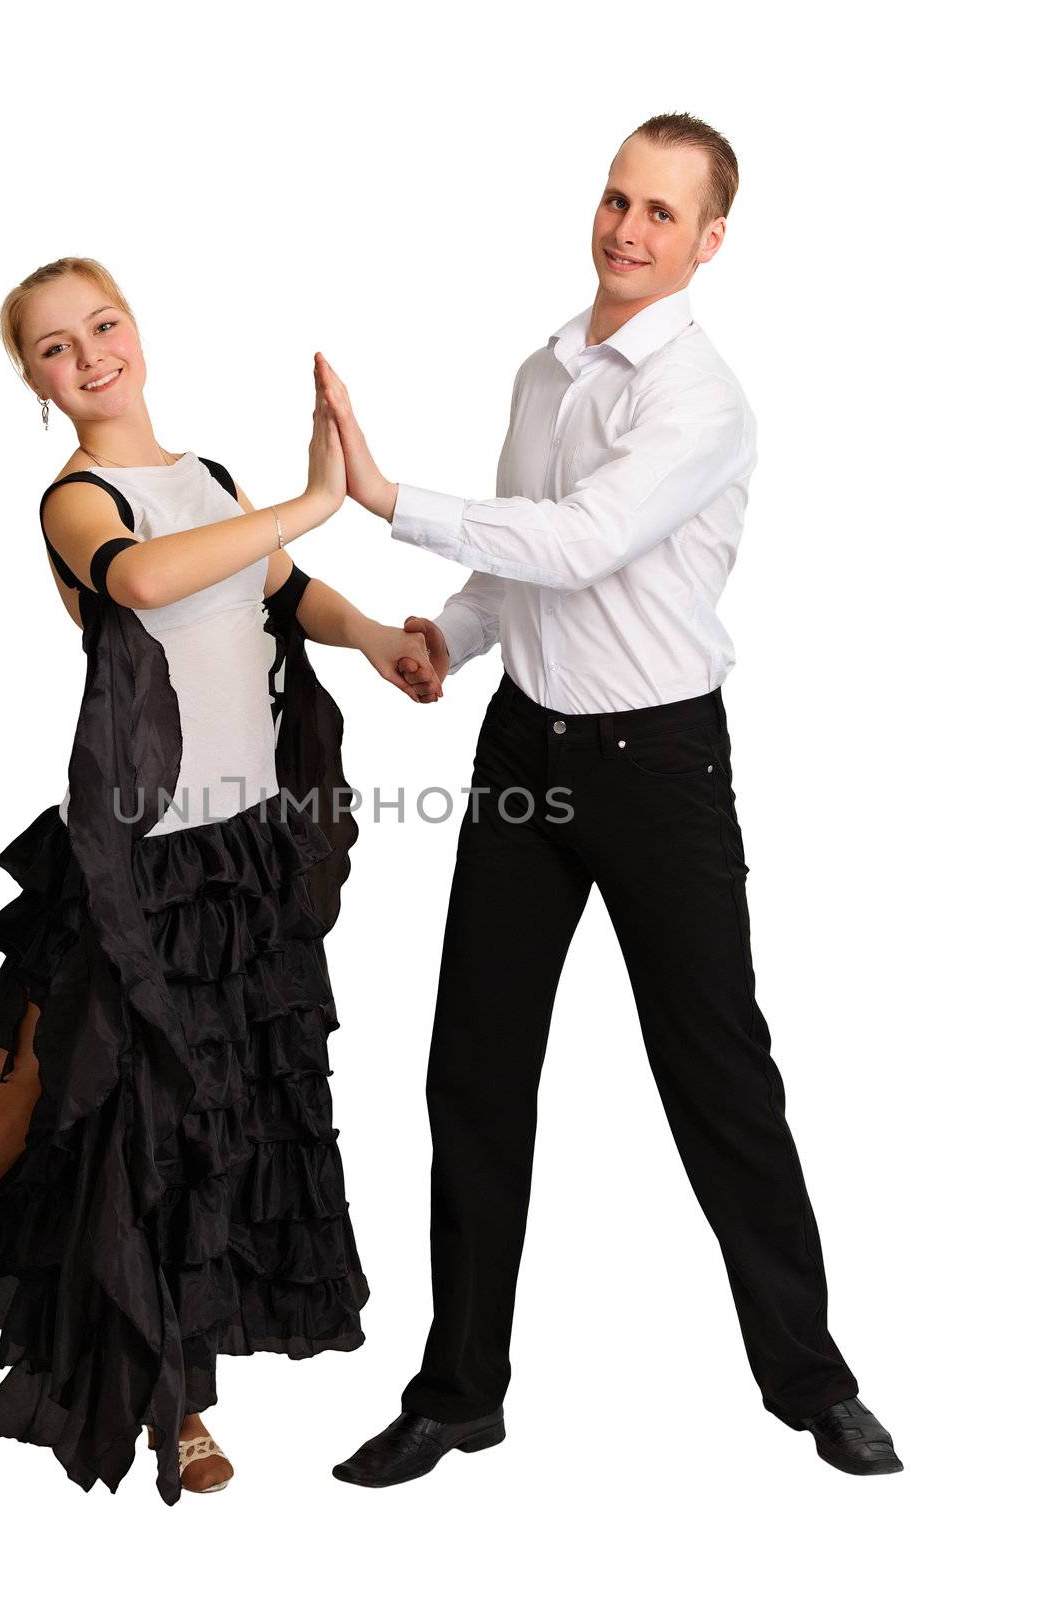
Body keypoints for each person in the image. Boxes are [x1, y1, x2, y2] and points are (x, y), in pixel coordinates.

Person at [0, 256, 443, 1506]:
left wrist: (373, 637)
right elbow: (148, 579)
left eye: (103, 324)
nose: (89, 355)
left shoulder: (207, 482)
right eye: (53, 347)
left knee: (195, 1124)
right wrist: (314, 497)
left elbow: (278, 592)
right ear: (33, 383)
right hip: (131, 861)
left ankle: (174, 1386)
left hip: (239, 855)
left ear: (137, 330)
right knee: (10, 1098)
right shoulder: (77, 500)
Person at [320, 112, 904, 1483]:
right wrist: (449, 644)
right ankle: (459, 1391)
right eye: (615, 200)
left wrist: (388, 496)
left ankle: (811, 1384)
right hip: (525, 754)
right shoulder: (543, 368)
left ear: (708, 242)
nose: (626, 230)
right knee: (473, 1070)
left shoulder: (699, 398)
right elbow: (524, 553)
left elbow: (582, 545)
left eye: (660, 213)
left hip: (658, 772)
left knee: (718, 1082)